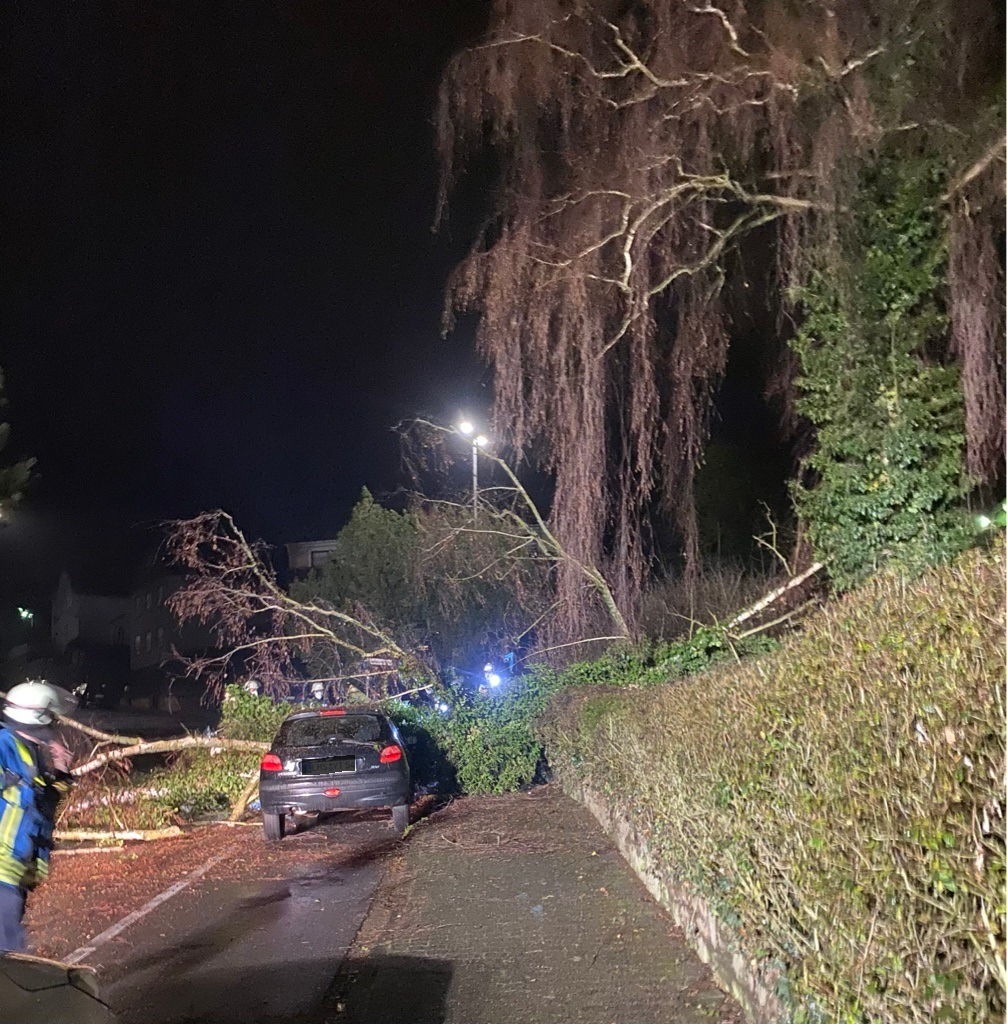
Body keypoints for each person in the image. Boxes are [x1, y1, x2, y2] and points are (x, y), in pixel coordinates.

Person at [0, 680, 74, 953]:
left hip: (16, 870)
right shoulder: (4, 745)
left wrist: (61, 771)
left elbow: (43, 804)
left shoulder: (28, 754)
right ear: (38, 719)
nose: (54, 728)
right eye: (51, 720)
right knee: (10, 952)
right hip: (1, 868)